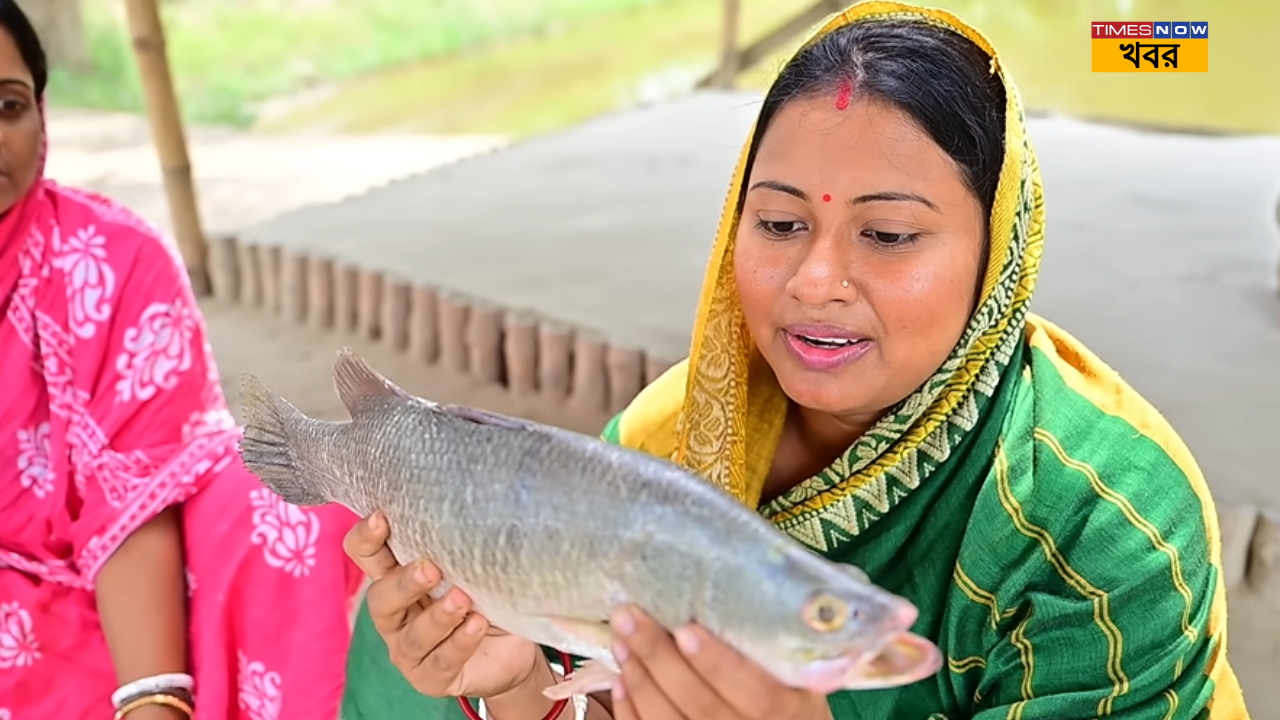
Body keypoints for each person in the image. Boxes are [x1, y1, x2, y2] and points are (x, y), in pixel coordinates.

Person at [337, 2, 1253, 719]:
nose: (816, 281)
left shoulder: (1105, 524)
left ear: (997, 255)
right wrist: (517, 689)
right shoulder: (664, 442)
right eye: (778, 224)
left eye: (888, 234)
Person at [0, 3, 364, 719]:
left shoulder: (112, 260)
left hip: (134, 560)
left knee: (283, 505)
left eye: (7, 106)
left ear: (40, 113)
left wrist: (152, 699)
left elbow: (138, 487)